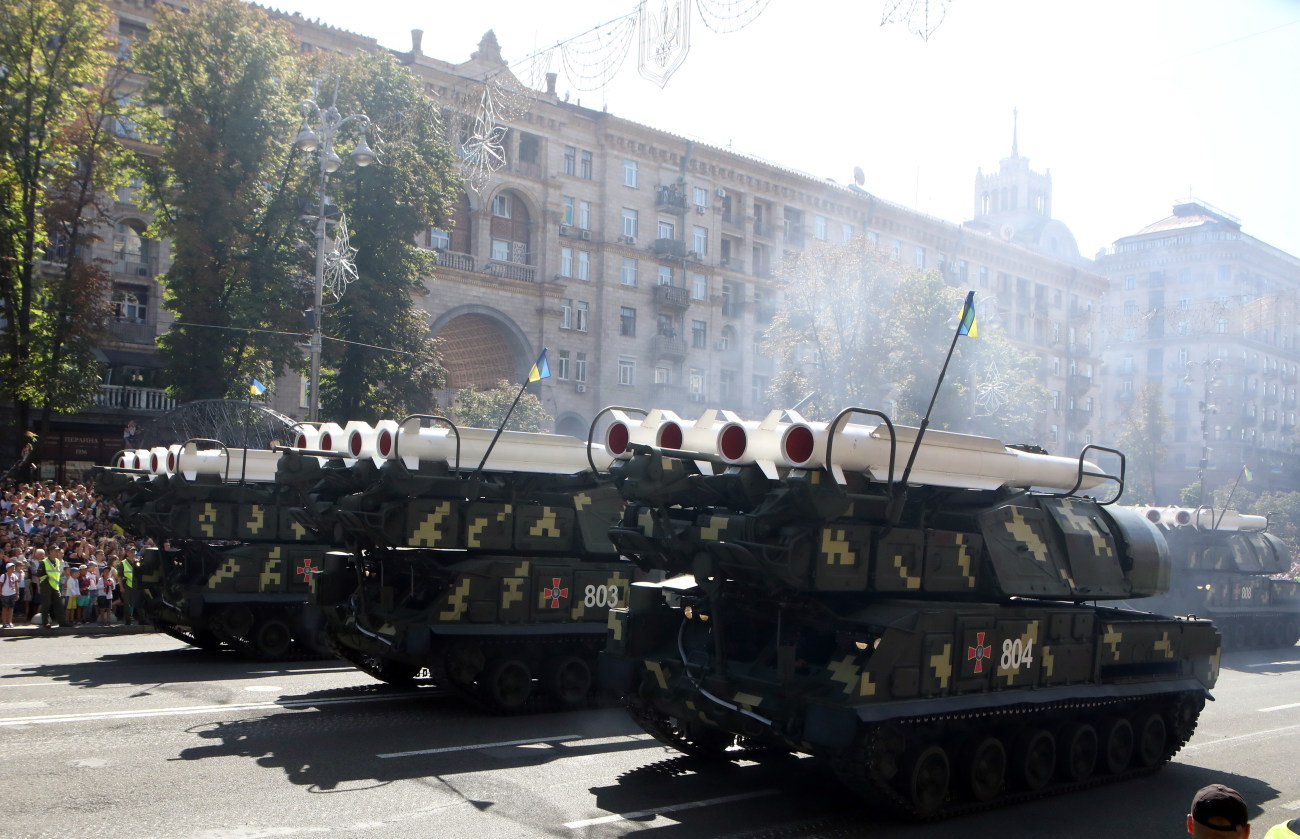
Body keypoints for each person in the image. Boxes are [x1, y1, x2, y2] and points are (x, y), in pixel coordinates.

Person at [1, 560, 22, 627]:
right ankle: (4, 622)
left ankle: (9, 621)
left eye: (13, 568)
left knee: (11, 608)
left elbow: (16, 585)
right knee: (5, 608)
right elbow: (0, 584)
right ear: (7, 569)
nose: (13, 569)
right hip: (4, 594)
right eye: (11, 568)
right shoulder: (3, 576)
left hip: (12, 593)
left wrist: (17, 593)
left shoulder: (14, 576)